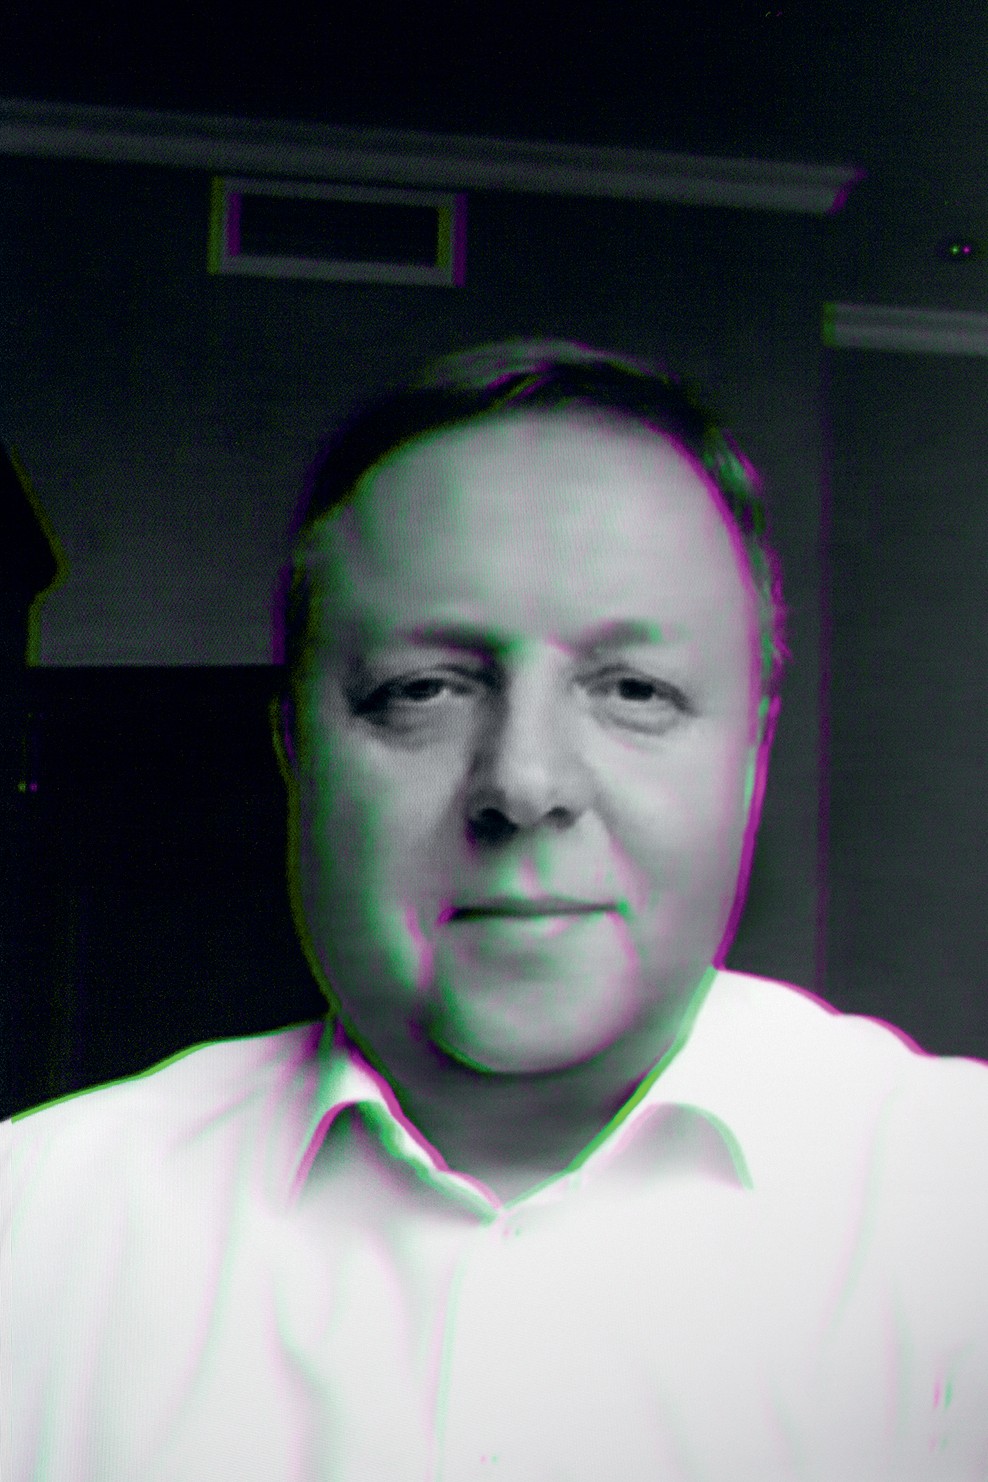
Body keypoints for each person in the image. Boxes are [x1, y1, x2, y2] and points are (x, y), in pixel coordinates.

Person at [3, 337, 987, 1480]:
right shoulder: (33, 1237)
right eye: (422, 691)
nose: (524, 783)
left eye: (634, 691)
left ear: (752, 756)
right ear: (294, 752)